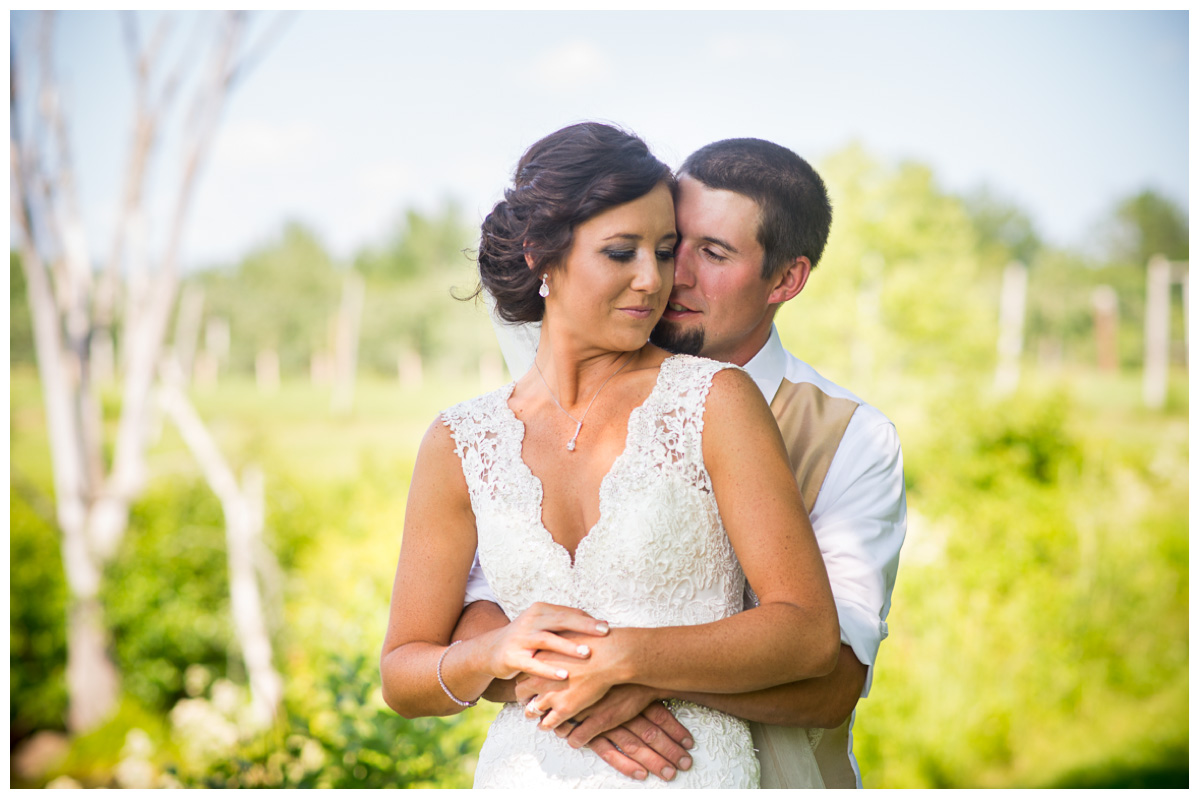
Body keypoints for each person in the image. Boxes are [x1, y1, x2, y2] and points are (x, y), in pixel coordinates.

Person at [380, 123, 840, 789]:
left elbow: (806, 633)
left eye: (665, 249)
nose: (654, 280)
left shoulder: (713, 401)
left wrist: (623, 661)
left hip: (689, 775)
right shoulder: (461, 442)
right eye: (621, 252)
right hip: (525, 775)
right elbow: (403, 671)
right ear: (542, 256)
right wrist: (496, 654)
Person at [467, 138, 906, 789]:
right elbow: (480, 606)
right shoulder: (561, 393)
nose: (671, 275)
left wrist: (630, 676)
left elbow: (831, 685)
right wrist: (577, 678)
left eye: (715, 253)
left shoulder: (851, 438)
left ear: (786, 279)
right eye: (674, 244)